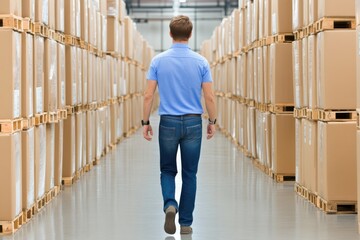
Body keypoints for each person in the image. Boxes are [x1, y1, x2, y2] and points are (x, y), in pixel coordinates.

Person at [142, 15, 217, 235]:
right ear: (191, 34)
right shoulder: (201, 62)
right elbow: (210, 96)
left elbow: (148, 95)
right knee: (190, 174)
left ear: (170, 34)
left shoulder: (158, 61)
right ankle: (185, 222)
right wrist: (212, 121)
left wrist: (145, 122)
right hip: (194, 122)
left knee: (167, 169)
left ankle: (169, 205)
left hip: (168, 123)